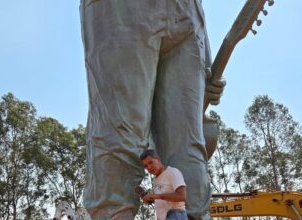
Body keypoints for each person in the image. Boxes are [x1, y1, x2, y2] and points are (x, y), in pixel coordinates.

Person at [79, 0, 225, 219]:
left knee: (187, 150)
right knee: (118, 142)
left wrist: (206, 55)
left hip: (188, 15)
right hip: (122, 10)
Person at [140, 149, 188, 220]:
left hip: (176, 215)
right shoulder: (156, 180)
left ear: (158, 159)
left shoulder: (172, 172)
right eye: (146, 166)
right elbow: (162, 200)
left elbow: (182, 196)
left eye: (150, 162)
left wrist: (158, 196)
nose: (149, 167)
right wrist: (149, 199)